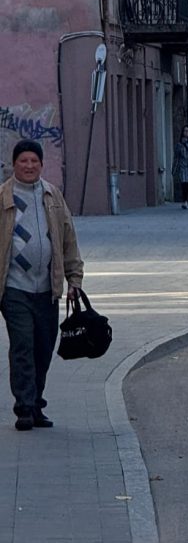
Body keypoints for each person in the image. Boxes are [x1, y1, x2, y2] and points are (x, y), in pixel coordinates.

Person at [0, 139, 83, 430]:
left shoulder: (52, 196)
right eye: (24, 161)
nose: (29, 166)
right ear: (14, 164)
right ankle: (23, 405)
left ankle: (36, 403)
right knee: (23, 343)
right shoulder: (3, 197)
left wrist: (74, 278)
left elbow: (68, 239)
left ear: (41, 164)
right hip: (14, 288)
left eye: (34, 161)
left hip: (47, 287)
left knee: (44, 346)